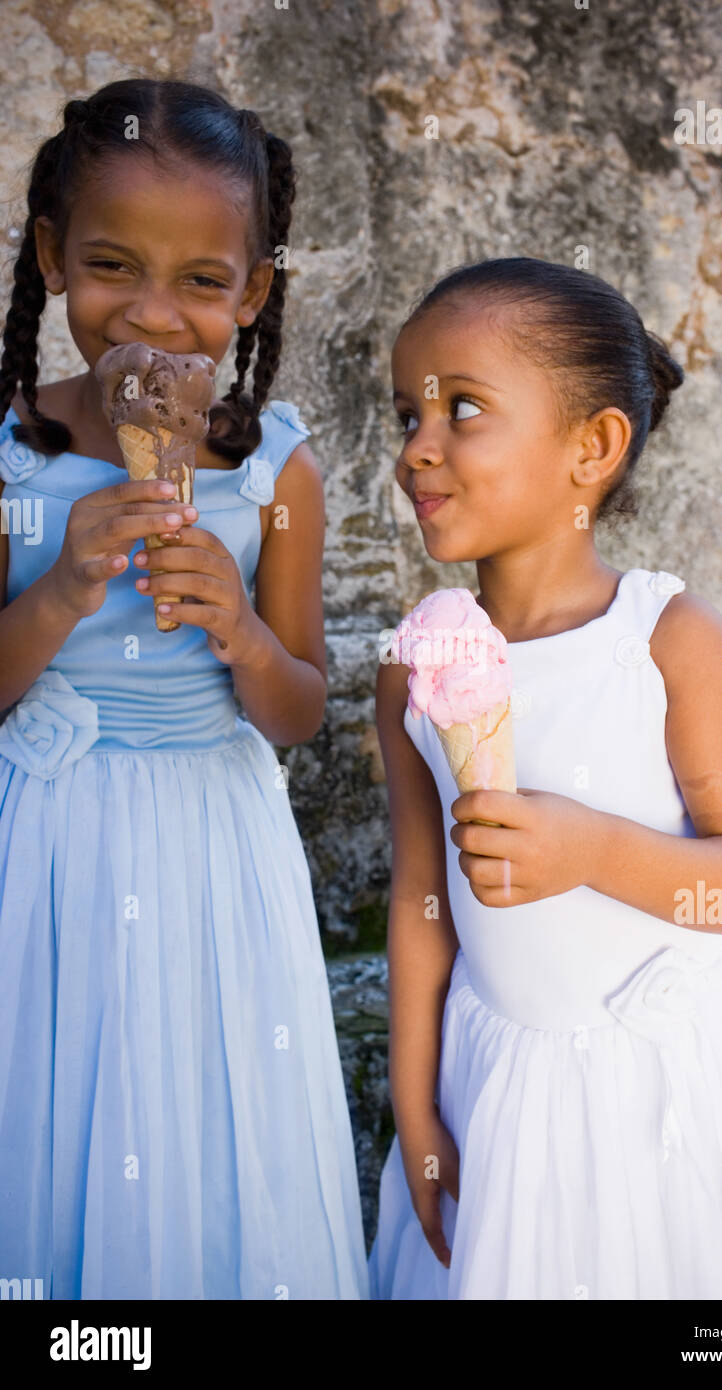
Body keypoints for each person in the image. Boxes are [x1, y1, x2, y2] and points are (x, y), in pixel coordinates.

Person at [368, 256, 722, 1300]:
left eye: (462, 409)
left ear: (590, 447)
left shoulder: (669, 639)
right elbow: (421, 902)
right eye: (406, 411)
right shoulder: (415, 663)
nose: (417, 446)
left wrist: (588, 848)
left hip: (684, 1078)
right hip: (509, 1086)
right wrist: (414, 1106)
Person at [0, 79, 367, 1299]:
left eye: (203, 283)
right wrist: (59, 588)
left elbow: (298, 711)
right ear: (52, 258)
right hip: (49, 842)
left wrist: (244, 633)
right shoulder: (14, 454)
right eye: (111, 267)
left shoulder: (276, 472)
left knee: (211, 1108)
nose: (151, 315)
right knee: (58, 1115)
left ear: (253, 292)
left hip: (216, 845)